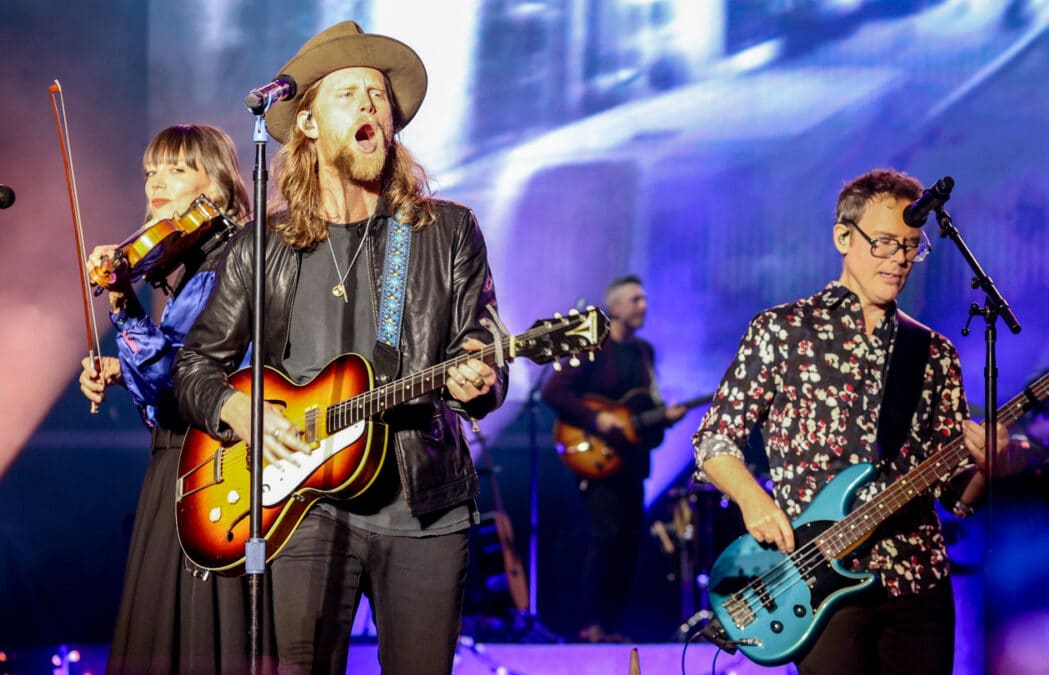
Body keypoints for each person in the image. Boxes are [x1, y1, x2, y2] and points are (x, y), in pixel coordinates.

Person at [171, 21, 506, 675]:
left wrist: (482, 377)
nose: (369, 104)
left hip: (423, 506)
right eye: (348, 92)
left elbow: (484, 338)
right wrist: (235, 411)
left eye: (378, 94)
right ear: (308, 124)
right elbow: (195, 367)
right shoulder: (260, 245)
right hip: (298, 505)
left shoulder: (447, 231)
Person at [691, 169, 1010, 675]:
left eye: (910, 247)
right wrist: (755, 500)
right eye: (884, 243)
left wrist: (989, 468)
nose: (900, 259)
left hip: (918, 582)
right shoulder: (783, 330)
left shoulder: (933, 352)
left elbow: (955, 497)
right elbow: (714, 438)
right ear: (844, 237)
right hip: (818, 586)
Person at [77, 123, 252, 674]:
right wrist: (120, 367)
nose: (157, 181)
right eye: (152, 170)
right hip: (175, 462)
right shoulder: (188, 268)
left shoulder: (230, 266)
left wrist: (124, 303)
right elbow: (170, 377)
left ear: (217, 187)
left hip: (212, 466)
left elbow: (192, 381)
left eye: (177, 168)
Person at [542, 274, 687, 643]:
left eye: (644, 298)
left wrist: (664, 416)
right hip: (595, 457)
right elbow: (555, 392)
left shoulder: (644, 352)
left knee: (629, 542)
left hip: (632, 461)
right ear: (616, 306)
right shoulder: (592, 346)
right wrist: (596, 418)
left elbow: (641, 405)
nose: (644, 305)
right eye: (636, 299)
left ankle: (612, 625)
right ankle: (591, 623)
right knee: (605, 537)